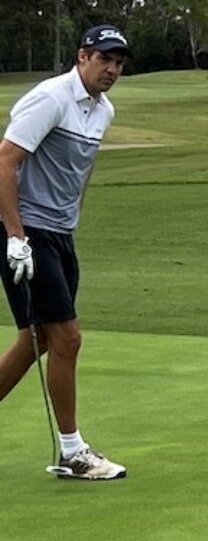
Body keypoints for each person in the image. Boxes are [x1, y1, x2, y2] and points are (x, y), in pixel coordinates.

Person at [0, 25, 131, 481]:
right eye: (104, 59)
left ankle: (73, 450)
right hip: (25, 232)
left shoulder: (104, 111)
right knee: (67, 339)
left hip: (58, 234)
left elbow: (79, 174)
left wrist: (71, 221)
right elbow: (5, 161)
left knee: (37, 340)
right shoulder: (51, 98)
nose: (112, 69)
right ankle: (74, 452)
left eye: (118, 62)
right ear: (82, 57)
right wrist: (15, 236)